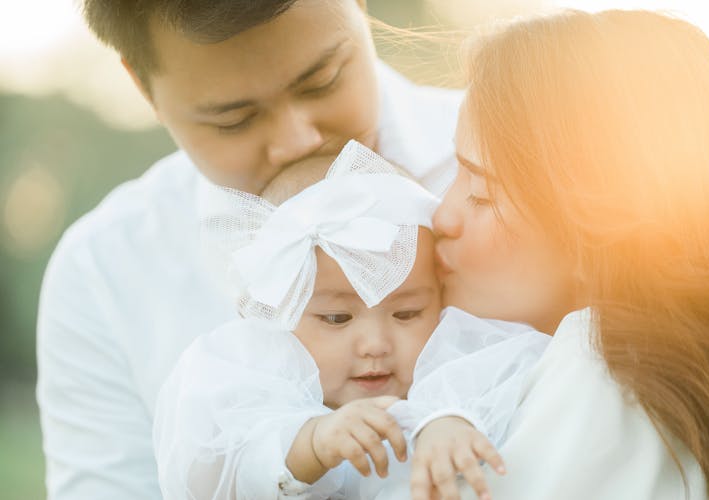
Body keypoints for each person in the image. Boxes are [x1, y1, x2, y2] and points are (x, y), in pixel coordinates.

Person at [36, 1, 462, 498]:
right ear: (143, 86)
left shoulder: (513, 161)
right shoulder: (103, 271)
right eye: (234, 120)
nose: (295, 142)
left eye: (321, 81)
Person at [378, 9, 709, 500]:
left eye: (482, 195)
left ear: (593, 227)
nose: (441, 217)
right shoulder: (669, 377)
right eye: (455, 173)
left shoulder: (604, 369)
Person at [154, 142, 550, 499]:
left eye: (407, 313)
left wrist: (450, 421)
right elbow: (210, 471)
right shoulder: (250, 370)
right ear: (276, 312)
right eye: (337, 317)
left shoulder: (452, 355)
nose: (375, 343)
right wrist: (311, 443)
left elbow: (504, 378)